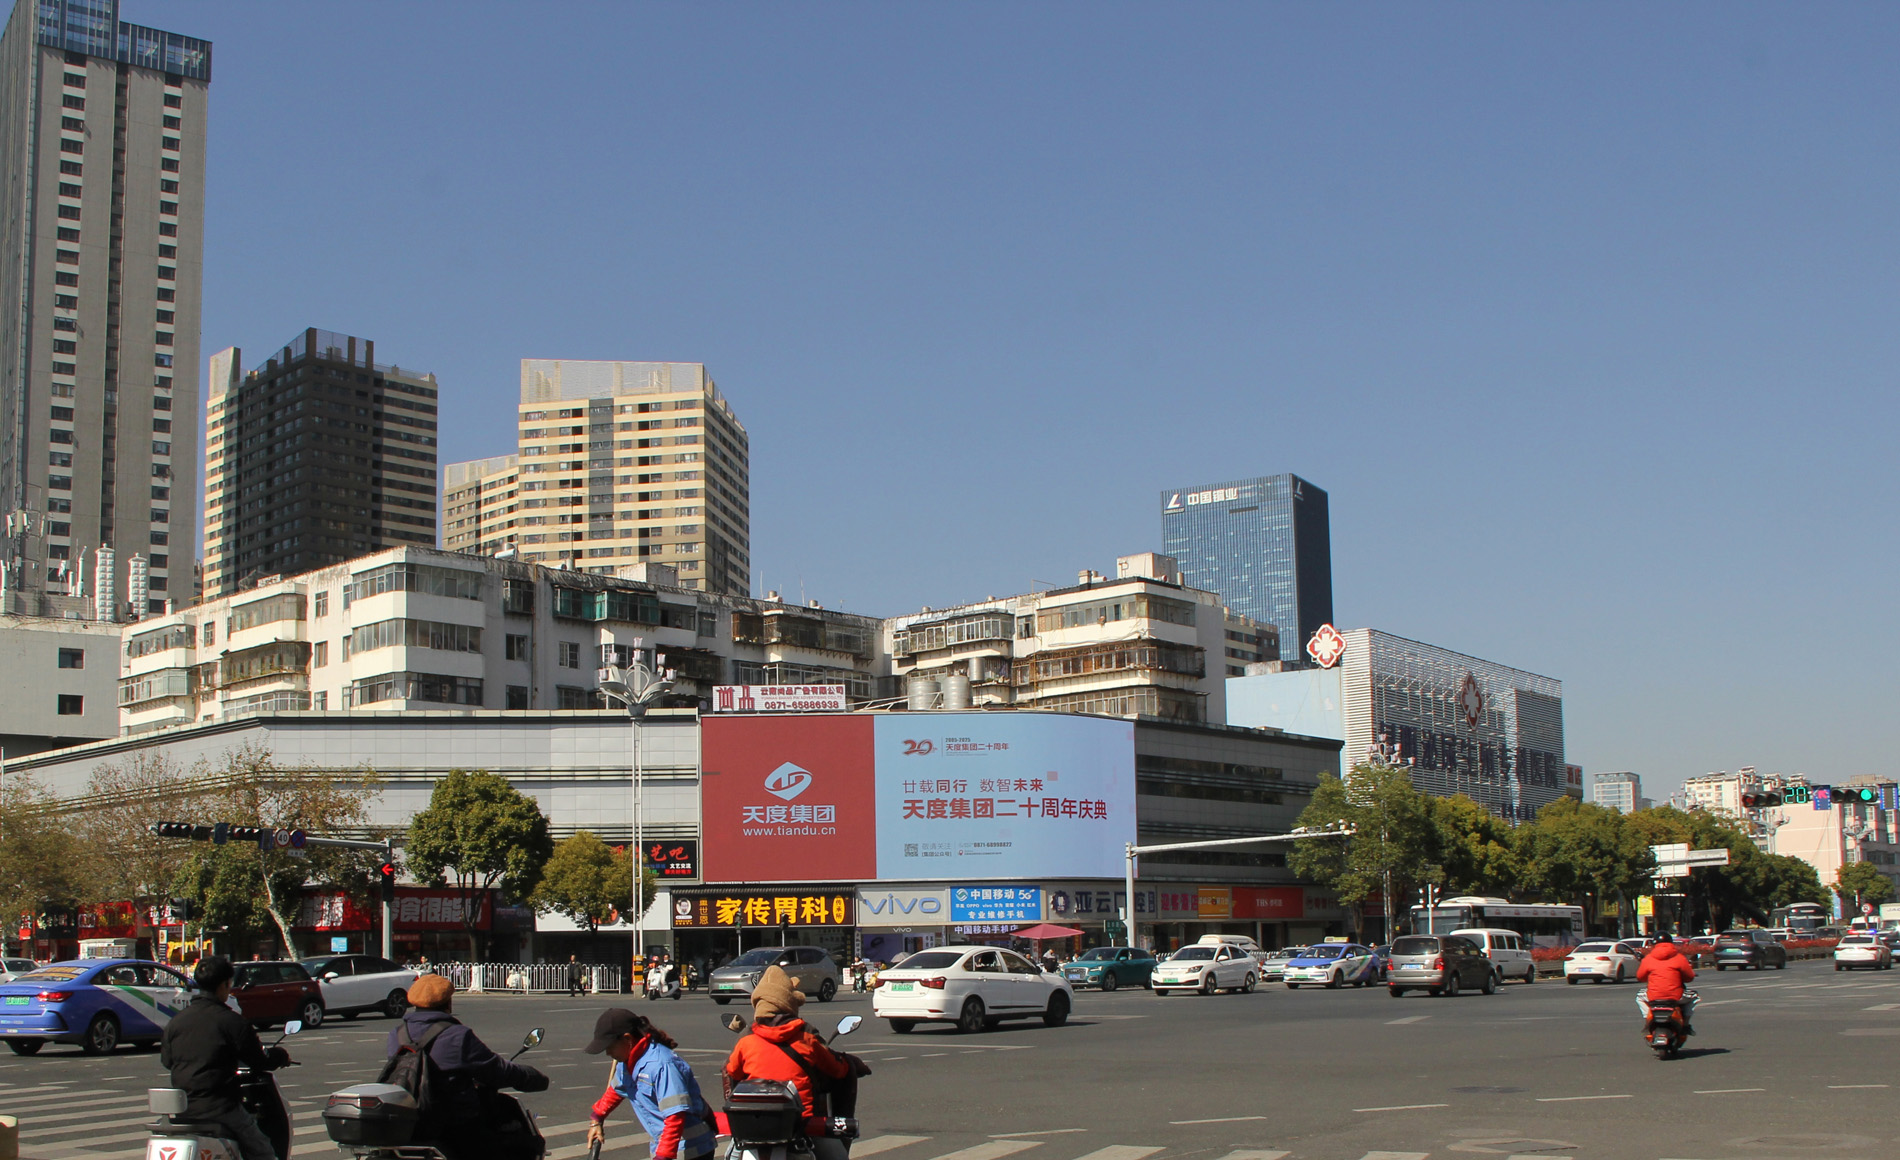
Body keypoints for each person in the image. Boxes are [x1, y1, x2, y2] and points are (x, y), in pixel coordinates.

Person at [385, 974, 549, 1159]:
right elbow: (496, 1070)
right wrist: (531, 1077)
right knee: (525, 1146)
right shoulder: (457, 1035)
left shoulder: (397, 1035)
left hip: (411, 1124)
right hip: (456, 1127)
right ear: (448, 1003)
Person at [722, 966, 866, 1160]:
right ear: (790, 1003)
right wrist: (851, 1064)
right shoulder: (807, 1039)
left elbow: (731, 1072)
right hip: (801, 1125)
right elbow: (838, 1070)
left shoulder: (746, 1041)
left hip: (754, 1126)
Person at [159, 955, 290, 1160]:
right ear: (225, 985)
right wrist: (280, 1056)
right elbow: (259, 1060)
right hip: (221, 1108)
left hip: (184, 1109)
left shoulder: (176, 1022)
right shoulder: (232, 1022)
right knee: (263, 1151)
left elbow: (167, 1061)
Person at [584, 1009, 715, 1160]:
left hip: (690, 1150)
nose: (608, 1053)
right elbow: (616, 1090)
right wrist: (597, 1119)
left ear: (627, 1039)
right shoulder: (626, 1061)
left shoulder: (662, 1065)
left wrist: (663, 1156)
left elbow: (675, 1116)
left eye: (609, 1047)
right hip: (663, 1145)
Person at [1636, 933, 1698, 1034]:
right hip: (1676, 997)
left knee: (1639, 997)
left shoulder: (1648, 959)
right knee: (1695, 997)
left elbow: (1640, 977)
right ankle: (1686, 1024)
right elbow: (1689, 977)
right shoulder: (1679, 958)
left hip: (1653, 996)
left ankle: (1648, 1019)